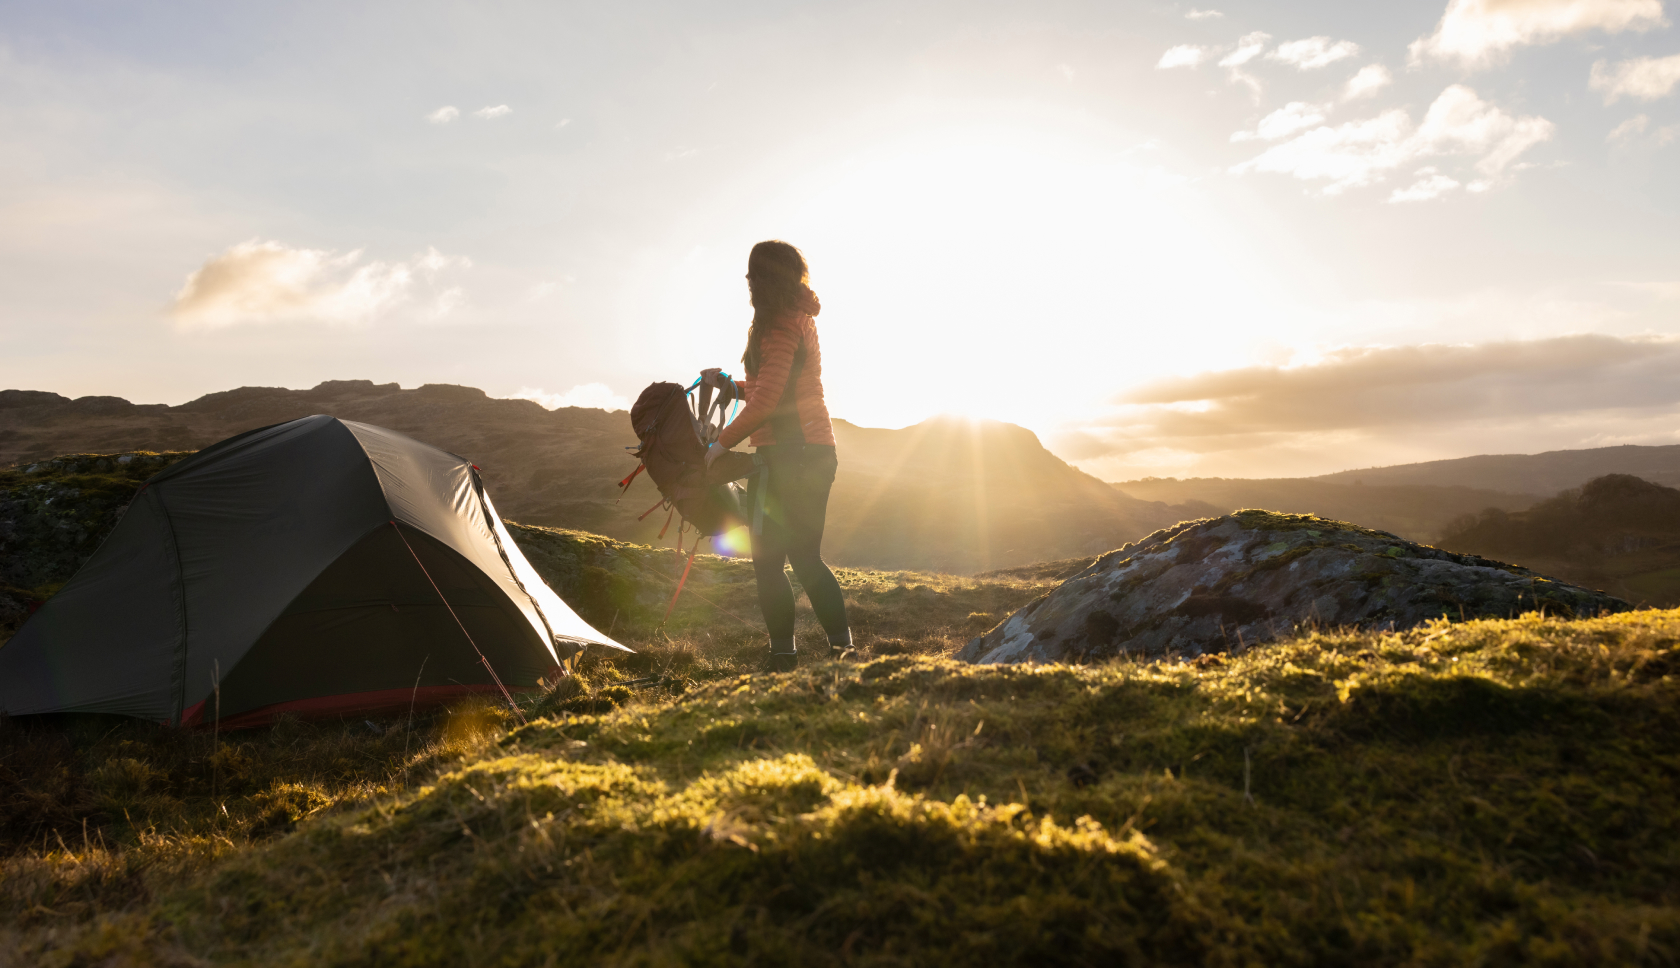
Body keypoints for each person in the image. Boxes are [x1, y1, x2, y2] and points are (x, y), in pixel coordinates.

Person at [705, 240, 851, 672]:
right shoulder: (797, 318)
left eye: (753, 275)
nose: (749, 283)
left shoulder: (781, 324)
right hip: (814, 451)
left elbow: (768, 401)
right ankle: (842, 652)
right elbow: (776, 388)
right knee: (806, 557)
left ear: (764, 280)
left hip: (791, 456)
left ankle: (783, 658)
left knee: (769, 561)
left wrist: (719, 445)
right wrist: (735, 387)